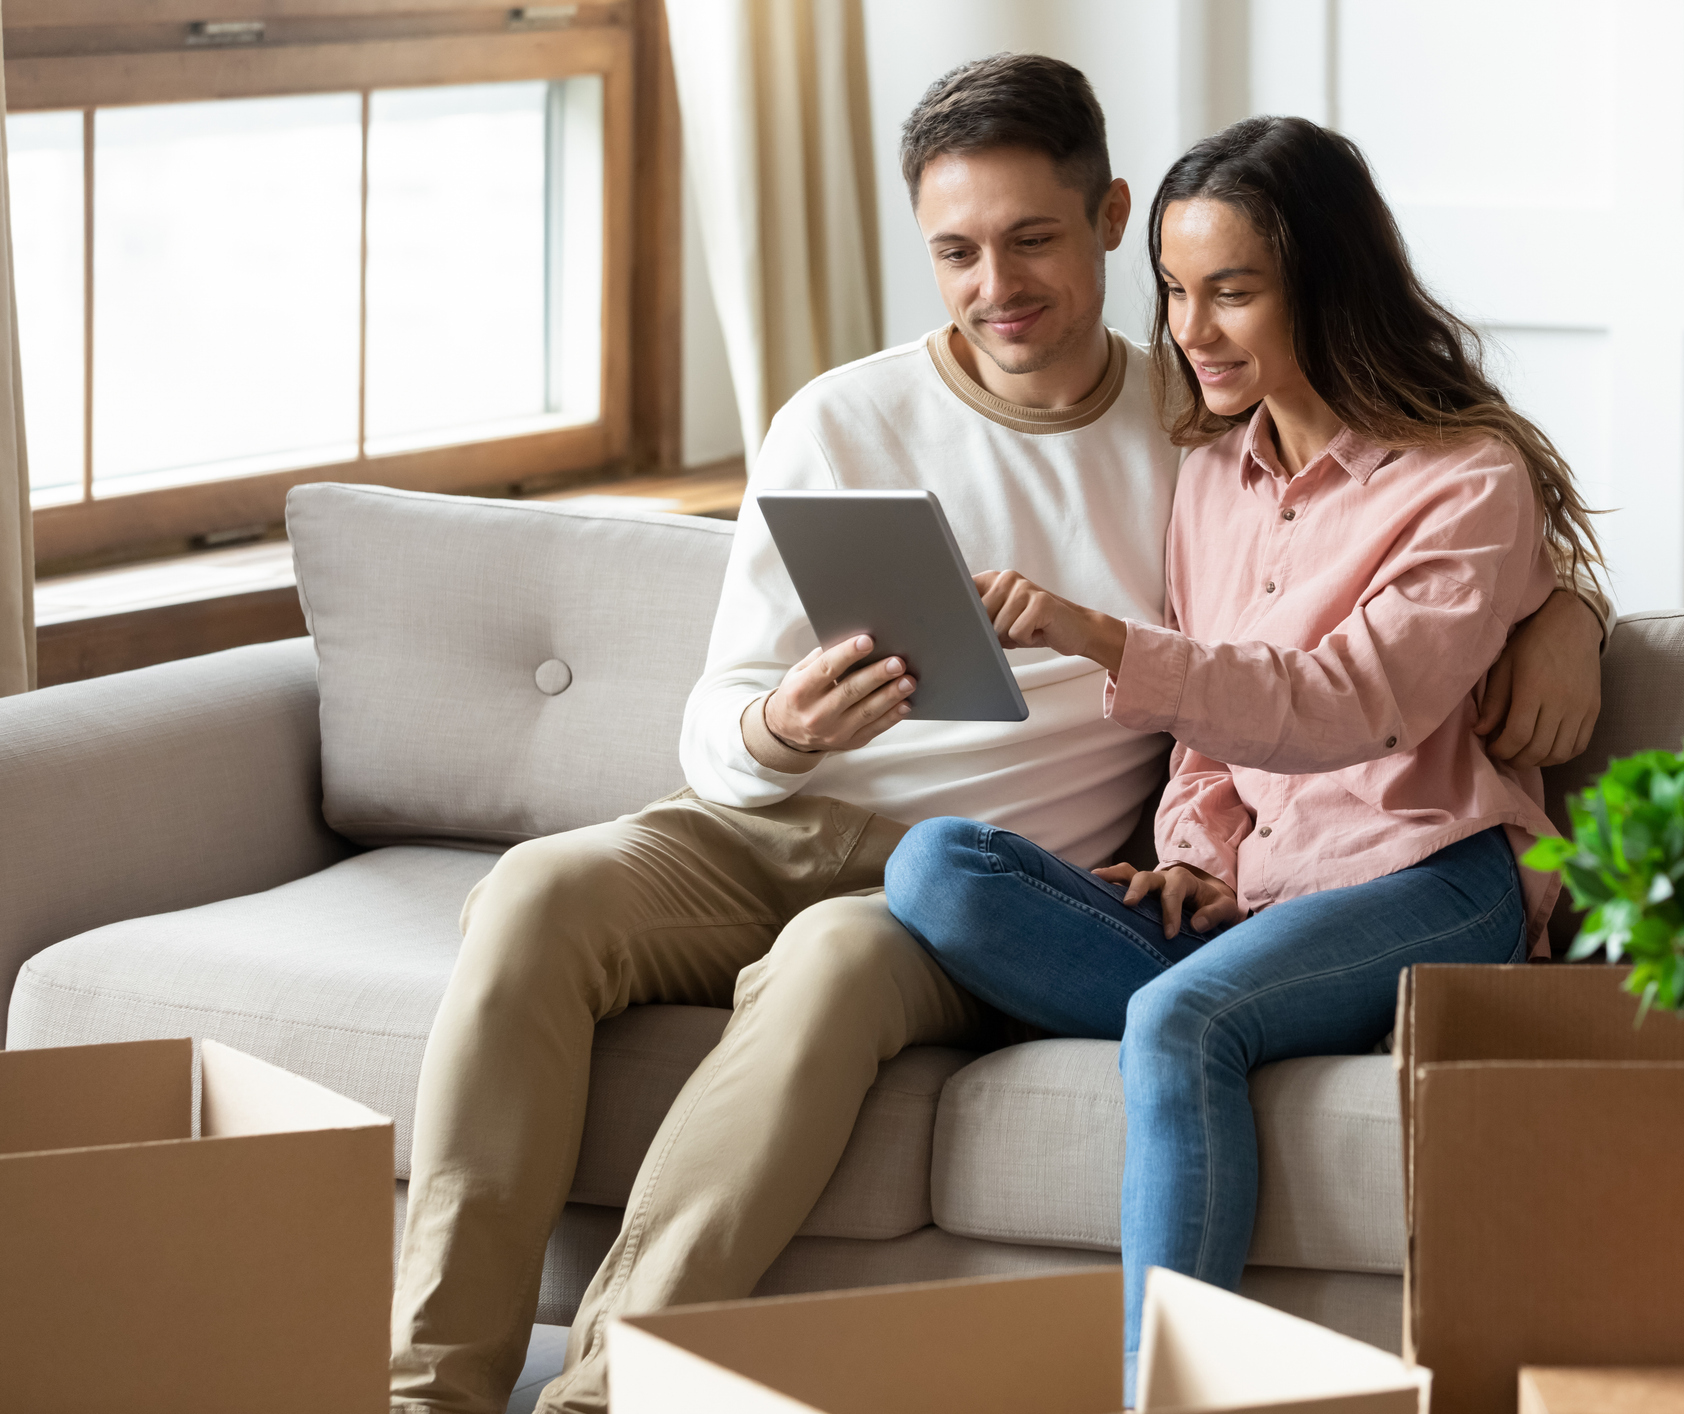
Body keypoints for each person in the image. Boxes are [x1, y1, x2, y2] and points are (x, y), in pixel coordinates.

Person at [390, 58, 1607, 1414]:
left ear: (1105, 218)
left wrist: (1570, 608)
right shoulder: (853, 419)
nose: (997, 285)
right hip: (768, 819)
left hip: (970, 869)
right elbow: (720, 715)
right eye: (956, 252)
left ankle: (601, 1394)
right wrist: (779, 727)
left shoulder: (1186, 423)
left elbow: (1388, 579)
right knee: (533, 894)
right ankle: (430, 1389)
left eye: (1032, 238)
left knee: (840, 963)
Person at [884, 114, 1608, 1388]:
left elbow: (1347, 701)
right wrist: (1194, 854)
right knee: (938, 868)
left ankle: (1163, 1390)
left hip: (1435, 878)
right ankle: (1272, 1004)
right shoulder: (1214, 475)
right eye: (1173, 291)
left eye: (1232, 291)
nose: (1191, 332)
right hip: (1263, 900)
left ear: (1324, 284)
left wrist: (1094, 633)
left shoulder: (1465, 479)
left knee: (1175, 1019)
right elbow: (1208, 740)